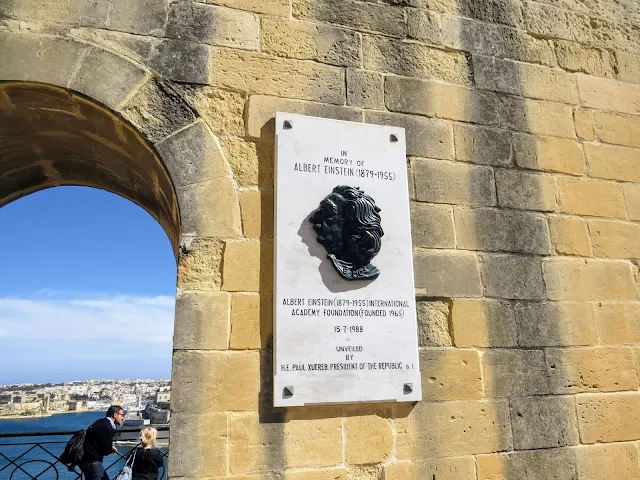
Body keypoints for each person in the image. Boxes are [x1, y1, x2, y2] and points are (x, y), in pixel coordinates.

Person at [80, 405, 125, 480]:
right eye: (122, 415)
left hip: (85, 459)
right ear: (115, 415)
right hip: (93, 461)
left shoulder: (100, 422)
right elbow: (106, 451)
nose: (123, 418)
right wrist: (110, 448)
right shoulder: (108, 427)